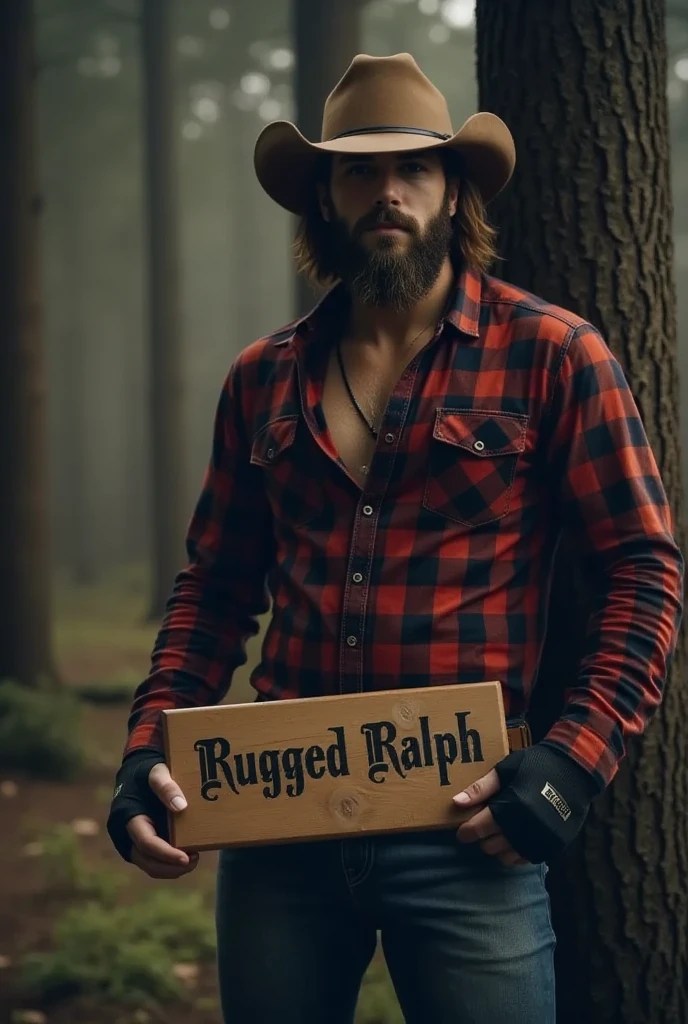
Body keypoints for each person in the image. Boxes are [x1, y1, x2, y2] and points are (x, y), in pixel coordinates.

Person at [107, 52, 684, 1024]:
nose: (388, 192)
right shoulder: (262, 379)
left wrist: (573, 763)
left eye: (413, 168)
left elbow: (642, 572)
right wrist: (142, 754)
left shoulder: (553, 353)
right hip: (276, 823)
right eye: (358, 171)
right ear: (325, 200)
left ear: (453, 191)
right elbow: (213, 589)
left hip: (467, 825)